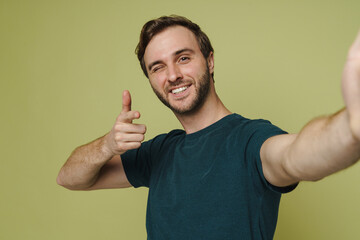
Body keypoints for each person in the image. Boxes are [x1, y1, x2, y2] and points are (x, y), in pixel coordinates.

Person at [57, 15, 360, 239]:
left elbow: (298, 154)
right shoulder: (160, 152)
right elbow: (69, 178)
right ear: (150, 80)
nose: (173, 75)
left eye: (184, 58)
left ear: (210, 61)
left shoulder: (249, 139)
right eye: (158, 67)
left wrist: (350, 127)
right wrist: (107, 146)